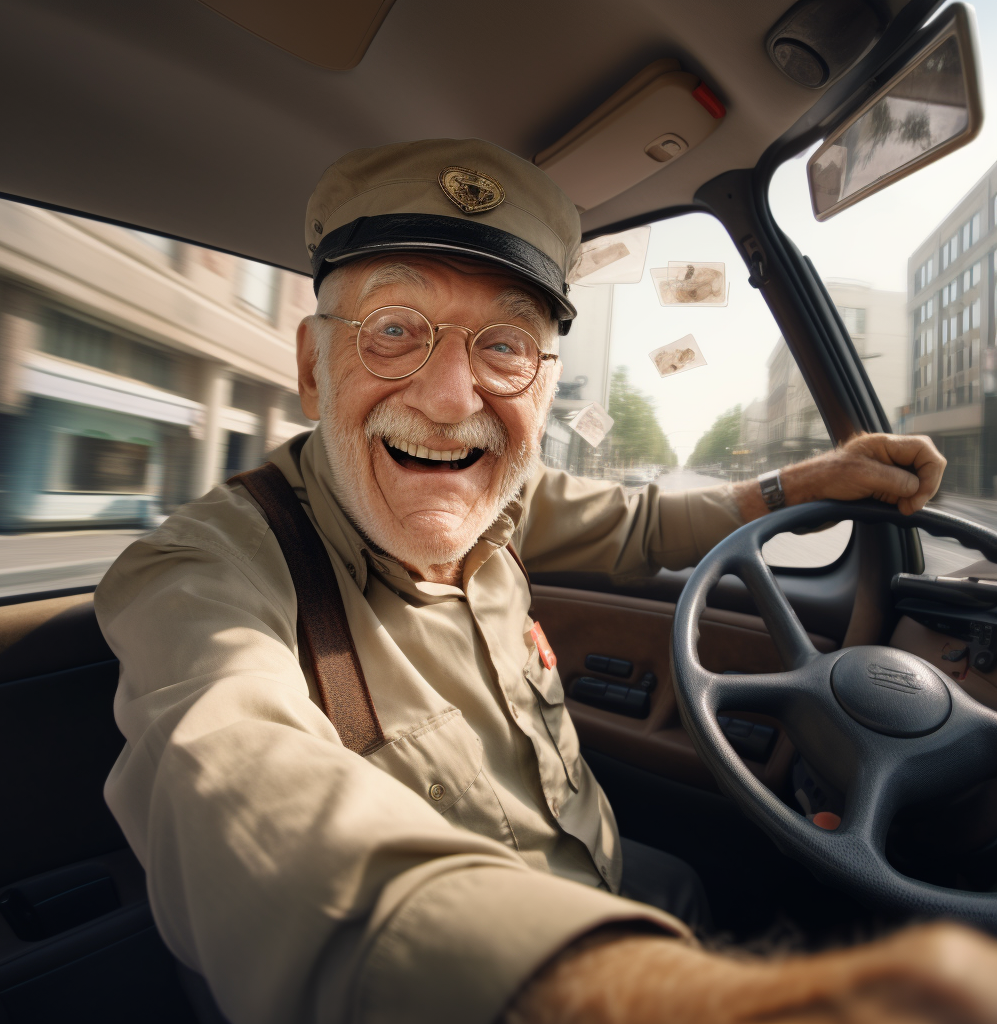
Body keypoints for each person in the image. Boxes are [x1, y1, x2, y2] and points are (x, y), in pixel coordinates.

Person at [95, 138, 995, 1024]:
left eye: (506, 345)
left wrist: (809, 482)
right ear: (310, 369)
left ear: (544, 384)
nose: (452, 399)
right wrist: (623, 990)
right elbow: (234, 776)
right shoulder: (205, 567)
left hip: (600, 867)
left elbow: (647, 523)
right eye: (395, 330)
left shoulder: (506, 498)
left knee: (681, 887)